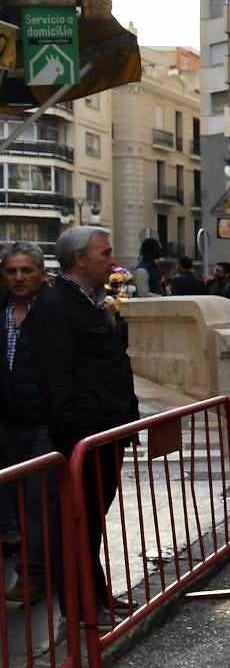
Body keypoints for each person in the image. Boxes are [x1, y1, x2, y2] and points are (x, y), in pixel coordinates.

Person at [27, 226, 140, 612]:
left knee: (88, 519)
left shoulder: (87, 300)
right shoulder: (57, 305)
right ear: (80, 259)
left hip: (104, 433)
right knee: (77, 519)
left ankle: (94, 594)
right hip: (86, 436)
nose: (112, 260)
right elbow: (57, 376)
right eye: (105, 253)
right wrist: (84, 431)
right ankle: (80, 604)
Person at [0, 242, 56, 603]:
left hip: (47, 420)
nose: (19, 278)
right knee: (13, 497)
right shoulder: (1, 309)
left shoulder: (54, 309)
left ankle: (35, 575)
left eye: (26, 271)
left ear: (41, 273)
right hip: (7, 419)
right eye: (11, 271)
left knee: (38, 499)